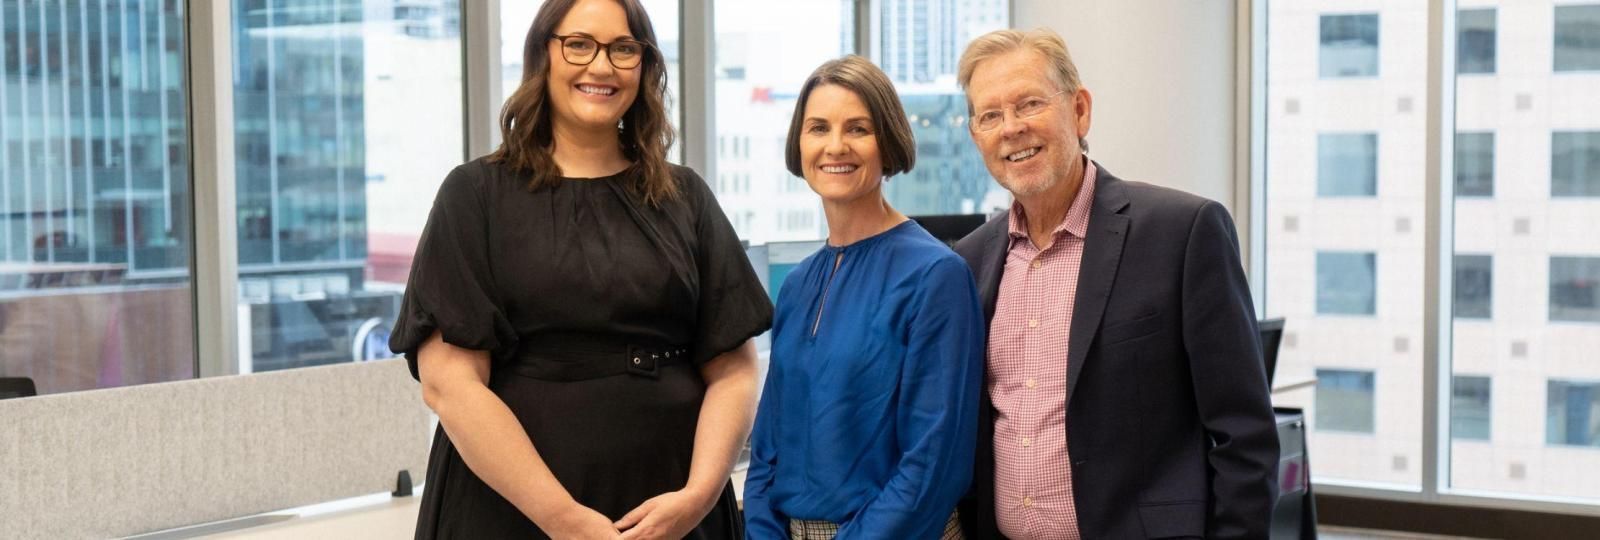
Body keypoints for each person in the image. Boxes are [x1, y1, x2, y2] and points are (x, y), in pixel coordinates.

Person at [388, 0, 772, 538]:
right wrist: (562, 519)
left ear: (644, 65)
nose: (601, 66)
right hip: (513, 512)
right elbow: (450, 384)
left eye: (623, 49)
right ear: (543, 53)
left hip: (672, 512)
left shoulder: (685, 198)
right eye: (579, 44)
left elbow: (733, 370)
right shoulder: (475, 195)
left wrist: (700, 497)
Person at [950, 29, 1279, 539]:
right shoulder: (968, 262)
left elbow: (1245, 437)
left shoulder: (1182, 233)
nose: (1011, 128)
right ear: (976, 135)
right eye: (990, 115)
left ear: (1079, 109)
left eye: (1029, 103)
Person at [742, 55, 984, 540]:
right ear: (799, 142)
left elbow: (933, 465)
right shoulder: (797, 284)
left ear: (887, 143)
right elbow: (768, 445)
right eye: (818, 128)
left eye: (858, 128)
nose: (836, 146)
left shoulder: (936, 275)